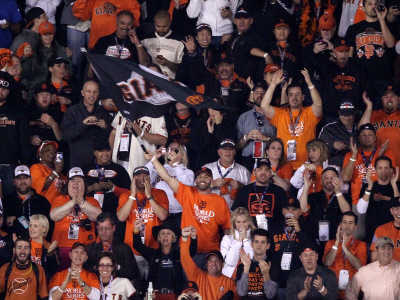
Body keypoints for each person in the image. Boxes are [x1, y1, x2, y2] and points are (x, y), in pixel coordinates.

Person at [147, 152, 231, 254]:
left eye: (206, 176)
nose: (202, 179)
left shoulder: (220, 201)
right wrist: (153, 160)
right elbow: (167, 178)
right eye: (199, 177)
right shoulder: (188, 193)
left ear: (211, 180)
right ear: (195, 180)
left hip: (211, 252)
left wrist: (226, 251)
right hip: (188, 251)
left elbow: (227, 228)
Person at [261, 69, 323, 170]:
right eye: (291, 95)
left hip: (306, 166)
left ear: (303, 97)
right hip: (283, 167)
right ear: (287, 97)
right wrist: (273, 85)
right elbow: (264, 106)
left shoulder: (309, 113)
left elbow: (318, 104)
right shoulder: (281, 114)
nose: (294, 98)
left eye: (297, 94)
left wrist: (309, 83)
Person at [342, 123, 396, 238]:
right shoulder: (350, 155)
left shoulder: (386, 152)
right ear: (359, 138)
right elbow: (346, 178)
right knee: (359, 237)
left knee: (382, 237)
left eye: (370, 134)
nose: (367, 137)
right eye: (363, 135)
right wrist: (354, 155)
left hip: (380, 200)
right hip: (358, 201)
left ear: (376, 137)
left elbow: (390, 177)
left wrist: (380, 156)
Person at [117, 166, 168, 281]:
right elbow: (121, 217)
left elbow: (163, 216)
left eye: (145, 175)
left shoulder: (159, 193)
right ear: (133, 179)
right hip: (132, 250)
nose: (142, 178)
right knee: (134, 285)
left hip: (153, 249)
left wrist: (149, 195)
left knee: (152, 286)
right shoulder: (126, 196)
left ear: (150, 178)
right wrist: (132, 195)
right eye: (138, 176)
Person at [50, 167, 102, 270]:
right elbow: (54, 216)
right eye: (72, 181)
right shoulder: (60, 199)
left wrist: (82, 202)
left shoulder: (91, 201)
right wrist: (72, 202)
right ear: (68, 185)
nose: (75, 184)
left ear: (84, 185)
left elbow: (99, 216)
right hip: (63, 247)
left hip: (86, 248)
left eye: (79, 181)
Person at [345, 0, 396, 103]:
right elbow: (349, 56)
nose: (373, 6)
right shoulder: (353, 29)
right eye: (369, 4)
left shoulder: (387, 26)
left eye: (376, 4)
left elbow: (390, 44)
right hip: (361, 79)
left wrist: (382, 20)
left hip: (382, 79)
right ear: (363, 8)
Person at [311, 38, 366, 122]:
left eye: (346, 51)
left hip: (352, 115)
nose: (343, 55)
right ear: (334, 52)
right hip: (331, 116)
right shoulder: (328, 67)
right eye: (340, 52)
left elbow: (363, 90)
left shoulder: (358, 69)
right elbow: (314, 63)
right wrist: (325, 51)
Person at [61, 80, 113, 168]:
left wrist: (106, 127)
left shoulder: (103, 111)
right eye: (88, 91)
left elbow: (113, 134)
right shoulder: (73, 111)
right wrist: (83, 124)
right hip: (79, 161)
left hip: (100, 162)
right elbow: (65, 135)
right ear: (83, 93)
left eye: (95, 92)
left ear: (98, 94)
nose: (92, 95)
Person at [268, 198, 311, 299]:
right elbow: (268, 251)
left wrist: (299, 231)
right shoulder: (274, 227)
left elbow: (312, 249)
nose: (290, 213)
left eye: (294, 209)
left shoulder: (307, 227)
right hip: (277, 278)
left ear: (300, 212)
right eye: (287, 209)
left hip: (298, 279)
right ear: (283, 211)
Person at [144, 143, 194, 229]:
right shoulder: (159, 169)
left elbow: (186, 186)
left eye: (176, 150)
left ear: (182, 155)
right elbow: (144, 176)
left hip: (180, 213)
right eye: (169, 150)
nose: (172, 152)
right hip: (160, 211)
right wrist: (155, 158)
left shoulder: (188, 172)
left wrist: (175, 164)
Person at [180, 226, 239, 299]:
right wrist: (185, 238)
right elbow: (185, 259)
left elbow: (237, 295)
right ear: (206, 264)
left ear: (222, 264)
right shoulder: (197, 276)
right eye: (210, 261)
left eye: (217, 261)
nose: (213, 263)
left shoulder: (229, 283)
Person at [133, 222, 187, 297]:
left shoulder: (179, 254)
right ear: (159, 238)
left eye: (168, 233)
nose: (165, 236)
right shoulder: (153, 254)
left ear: (173, 238)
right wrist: (136, 229)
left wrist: (192, 237)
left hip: (175, 295)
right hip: (155, 294)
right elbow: (137, 246)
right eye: (162, 233)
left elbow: (192, 252)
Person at [300, 167, 351, 245]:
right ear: (321, 181)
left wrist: (338, 192)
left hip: (335, 240)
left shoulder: (344, 197)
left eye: (333, 178)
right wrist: (306, 186)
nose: (329, 180)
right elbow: (303, 209)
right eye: (326, 177)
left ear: (338, 181)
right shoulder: (313, 196)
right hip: (314, 241)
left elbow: (347, 213)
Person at [85, 213, 139, 286]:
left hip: (118, 287)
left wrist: (112, 271)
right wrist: (96, 268)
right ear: (97, 228)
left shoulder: (124, 248)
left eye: (107, 228)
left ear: (114, 228)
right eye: (100, 228)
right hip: (95, 286)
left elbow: (133, 272)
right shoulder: (90, 248)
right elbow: (84, 270)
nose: (103, 232)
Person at [232, 158, 288, 229]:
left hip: (273, 235)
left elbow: (286, 215)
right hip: (250, 233)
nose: (263, 172)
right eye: (260, 169)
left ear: (271, 173)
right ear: (254, 172)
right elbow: (236, 213)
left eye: (267, 170)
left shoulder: (279, 191)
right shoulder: (244, 191)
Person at [83, 140, 131, 221]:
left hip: (113, 214)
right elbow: (75, 192)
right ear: (95, 152)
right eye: (101, 151)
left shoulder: (119, 169)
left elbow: (129, 193)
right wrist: (92, 188)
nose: (105, 153)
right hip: (90, 213)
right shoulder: (85, 169)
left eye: (108, 151)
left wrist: (113, 188)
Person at [109, 111, 168, 178]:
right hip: (118, 161)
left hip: (140, 162)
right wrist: (110, 153)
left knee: (138, 186)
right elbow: (113, 133)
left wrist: (141, 133)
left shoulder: (156, 112)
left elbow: (163, 140)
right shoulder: (124, 107)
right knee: (119, 187)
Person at [322, 212, 367, 299]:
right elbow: (327, 262)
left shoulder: (361, 245)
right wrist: (337, 243)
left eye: (350, 223)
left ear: (356, 227)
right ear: (340, 225)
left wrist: (344, 248)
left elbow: (359, 266)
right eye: (344, 222)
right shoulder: (330, 243)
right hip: (333, 289)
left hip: (353, 291)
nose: (347, 225)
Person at [0, 71, 30, 196]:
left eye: (3, 89)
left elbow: (23, 141)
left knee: (9, 200)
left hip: (10, 166)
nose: (0, 92)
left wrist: (24, 164)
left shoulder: (17, 113)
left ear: (8, 91)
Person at [2, 165, 52, 239]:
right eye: (19, 178)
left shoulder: (42, 201)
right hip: (13, 247)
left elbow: (49, 227)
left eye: (25, 178)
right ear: (14, 181)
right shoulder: (5, 202)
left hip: (36, 244)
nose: (22, 181)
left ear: (31, 179)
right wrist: (6, 221)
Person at [357, 156, 400, 243]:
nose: (383, 171)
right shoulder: (367, 186)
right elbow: (361, 210)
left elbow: (398, 206)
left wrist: (394, 185)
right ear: (375, 170)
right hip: (372, 236)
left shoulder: (398, 186)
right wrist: (369, 187)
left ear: (391, 170)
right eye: (380, 168)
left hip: (394, 236)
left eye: (386, 168)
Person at [236, 82, 277, 171]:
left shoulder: (275, 115)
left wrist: (265, 138)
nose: (260, 95)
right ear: (253, 95)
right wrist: (246, 137)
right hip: (247, 160)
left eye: (263, 93)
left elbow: (282, 143)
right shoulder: (244, 117)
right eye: (256, 92)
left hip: (269, 160)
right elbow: (237, 146)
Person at [72, 0, 141, 50]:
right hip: (96, 45)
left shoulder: (130, 1)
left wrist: (117, 10)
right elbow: (80, 15)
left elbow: (135, 22)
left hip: (119, 47)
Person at [203, 139, 251, 208]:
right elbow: (194, 188)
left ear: (234, 152)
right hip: (208, 211)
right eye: (225, 149)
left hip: (232, 213)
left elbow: (252, 191)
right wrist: (212, 184)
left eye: (230, 149)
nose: (228, 152)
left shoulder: (244, 171)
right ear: (219, 152)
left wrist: (241, 186)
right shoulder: (207, 168)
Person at [359, 85, 400, 165]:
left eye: (393, 96)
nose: (389, 100)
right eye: (386, 97)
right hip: (378, 166)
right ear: (382, 99)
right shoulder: (374, 115)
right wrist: (369, 106)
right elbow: (361, 129)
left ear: (398, 99)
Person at [236, 229, 280, 299]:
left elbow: (271, 295)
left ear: (268, 246)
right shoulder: (242, 266)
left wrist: (266, 275)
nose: (259, 245)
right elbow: (241, 292)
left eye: (263, 242)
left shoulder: (274, 266)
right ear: (252, 244)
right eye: (256, 242)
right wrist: (246, 269)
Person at [141, 10, 184, 78]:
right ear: (154, 22)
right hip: (150, 82)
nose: (161, 30)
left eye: (164, 27)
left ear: (170, 22)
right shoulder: (145, 40)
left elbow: (182, 71)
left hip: (171, 84)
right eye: (158, 26)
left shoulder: (179, 42)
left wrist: (167, 63)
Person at [26, 84, 63, 162]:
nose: (45, 97)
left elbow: (62, 139)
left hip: (53, 157)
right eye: (41, 94)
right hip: (32, 156)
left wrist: (53, 124)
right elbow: (18, 135)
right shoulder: (27, 112)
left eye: (47, 95)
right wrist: (30, 138)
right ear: (35, 97)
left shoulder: (58, 113)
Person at [318, 101, 358, 168]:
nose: (347, 118)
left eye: (349, 115)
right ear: (339, 113)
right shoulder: (329, 129)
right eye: (344, 115)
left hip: (358, 167)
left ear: (354, 113)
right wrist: (332, 145)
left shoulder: (359, 128)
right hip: (336, 168)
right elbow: (319, 149)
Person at [220, 207, 256, 278]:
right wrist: (239, 240)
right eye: (238, 222)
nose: (241, 225)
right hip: (229, 278)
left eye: (244, 222)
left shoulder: (254, 238)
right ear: (234, 223)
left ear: (249, 222)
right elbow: (231, 262)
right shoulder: (227, 239)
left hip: (250, 278)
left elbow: (251, 259)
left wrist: (245, 239)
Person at [29, 214, 59, 281]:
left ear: (44, 229)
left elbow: (52, 270)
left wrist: (49, 253)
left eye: (35, 226)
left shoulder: (49, 247)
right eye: (30, 225)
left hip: (44, 282)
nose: (31, 229)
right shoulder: (24, 245)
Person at [370, 196, 400, 262]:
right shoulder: (381, 230)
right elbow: (374, 258)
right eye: (397, 209)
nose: (399, 212)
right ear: (391, 211)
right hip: (386, 269)